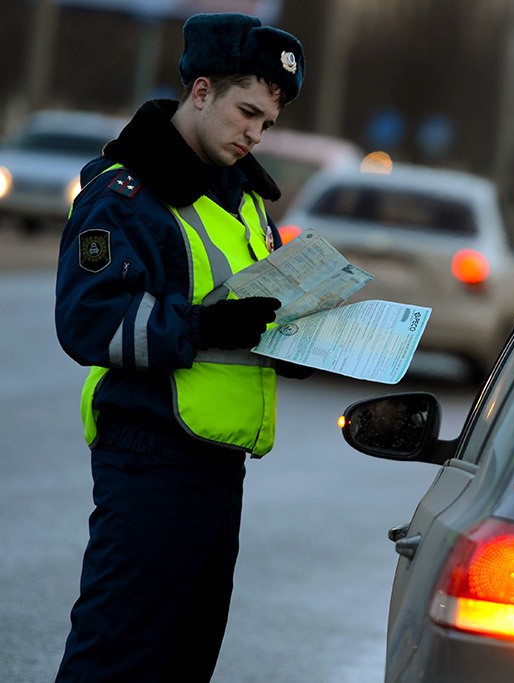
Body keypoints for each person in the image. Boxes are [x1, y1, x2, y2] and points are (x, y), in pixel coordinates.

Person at [53, 13, 312, 682]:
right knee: (116, 660)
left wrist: (297, 340)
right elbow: (88, 320)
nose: (255, 132)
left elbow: (251, 311)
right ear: (201, 91)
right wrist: (204, 326)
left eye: (267, 122)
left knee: (184, 661)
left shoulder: (247, 200)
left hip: (219, 467)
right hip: (149, 458)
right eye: (246, 111)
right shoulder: (126, 193)